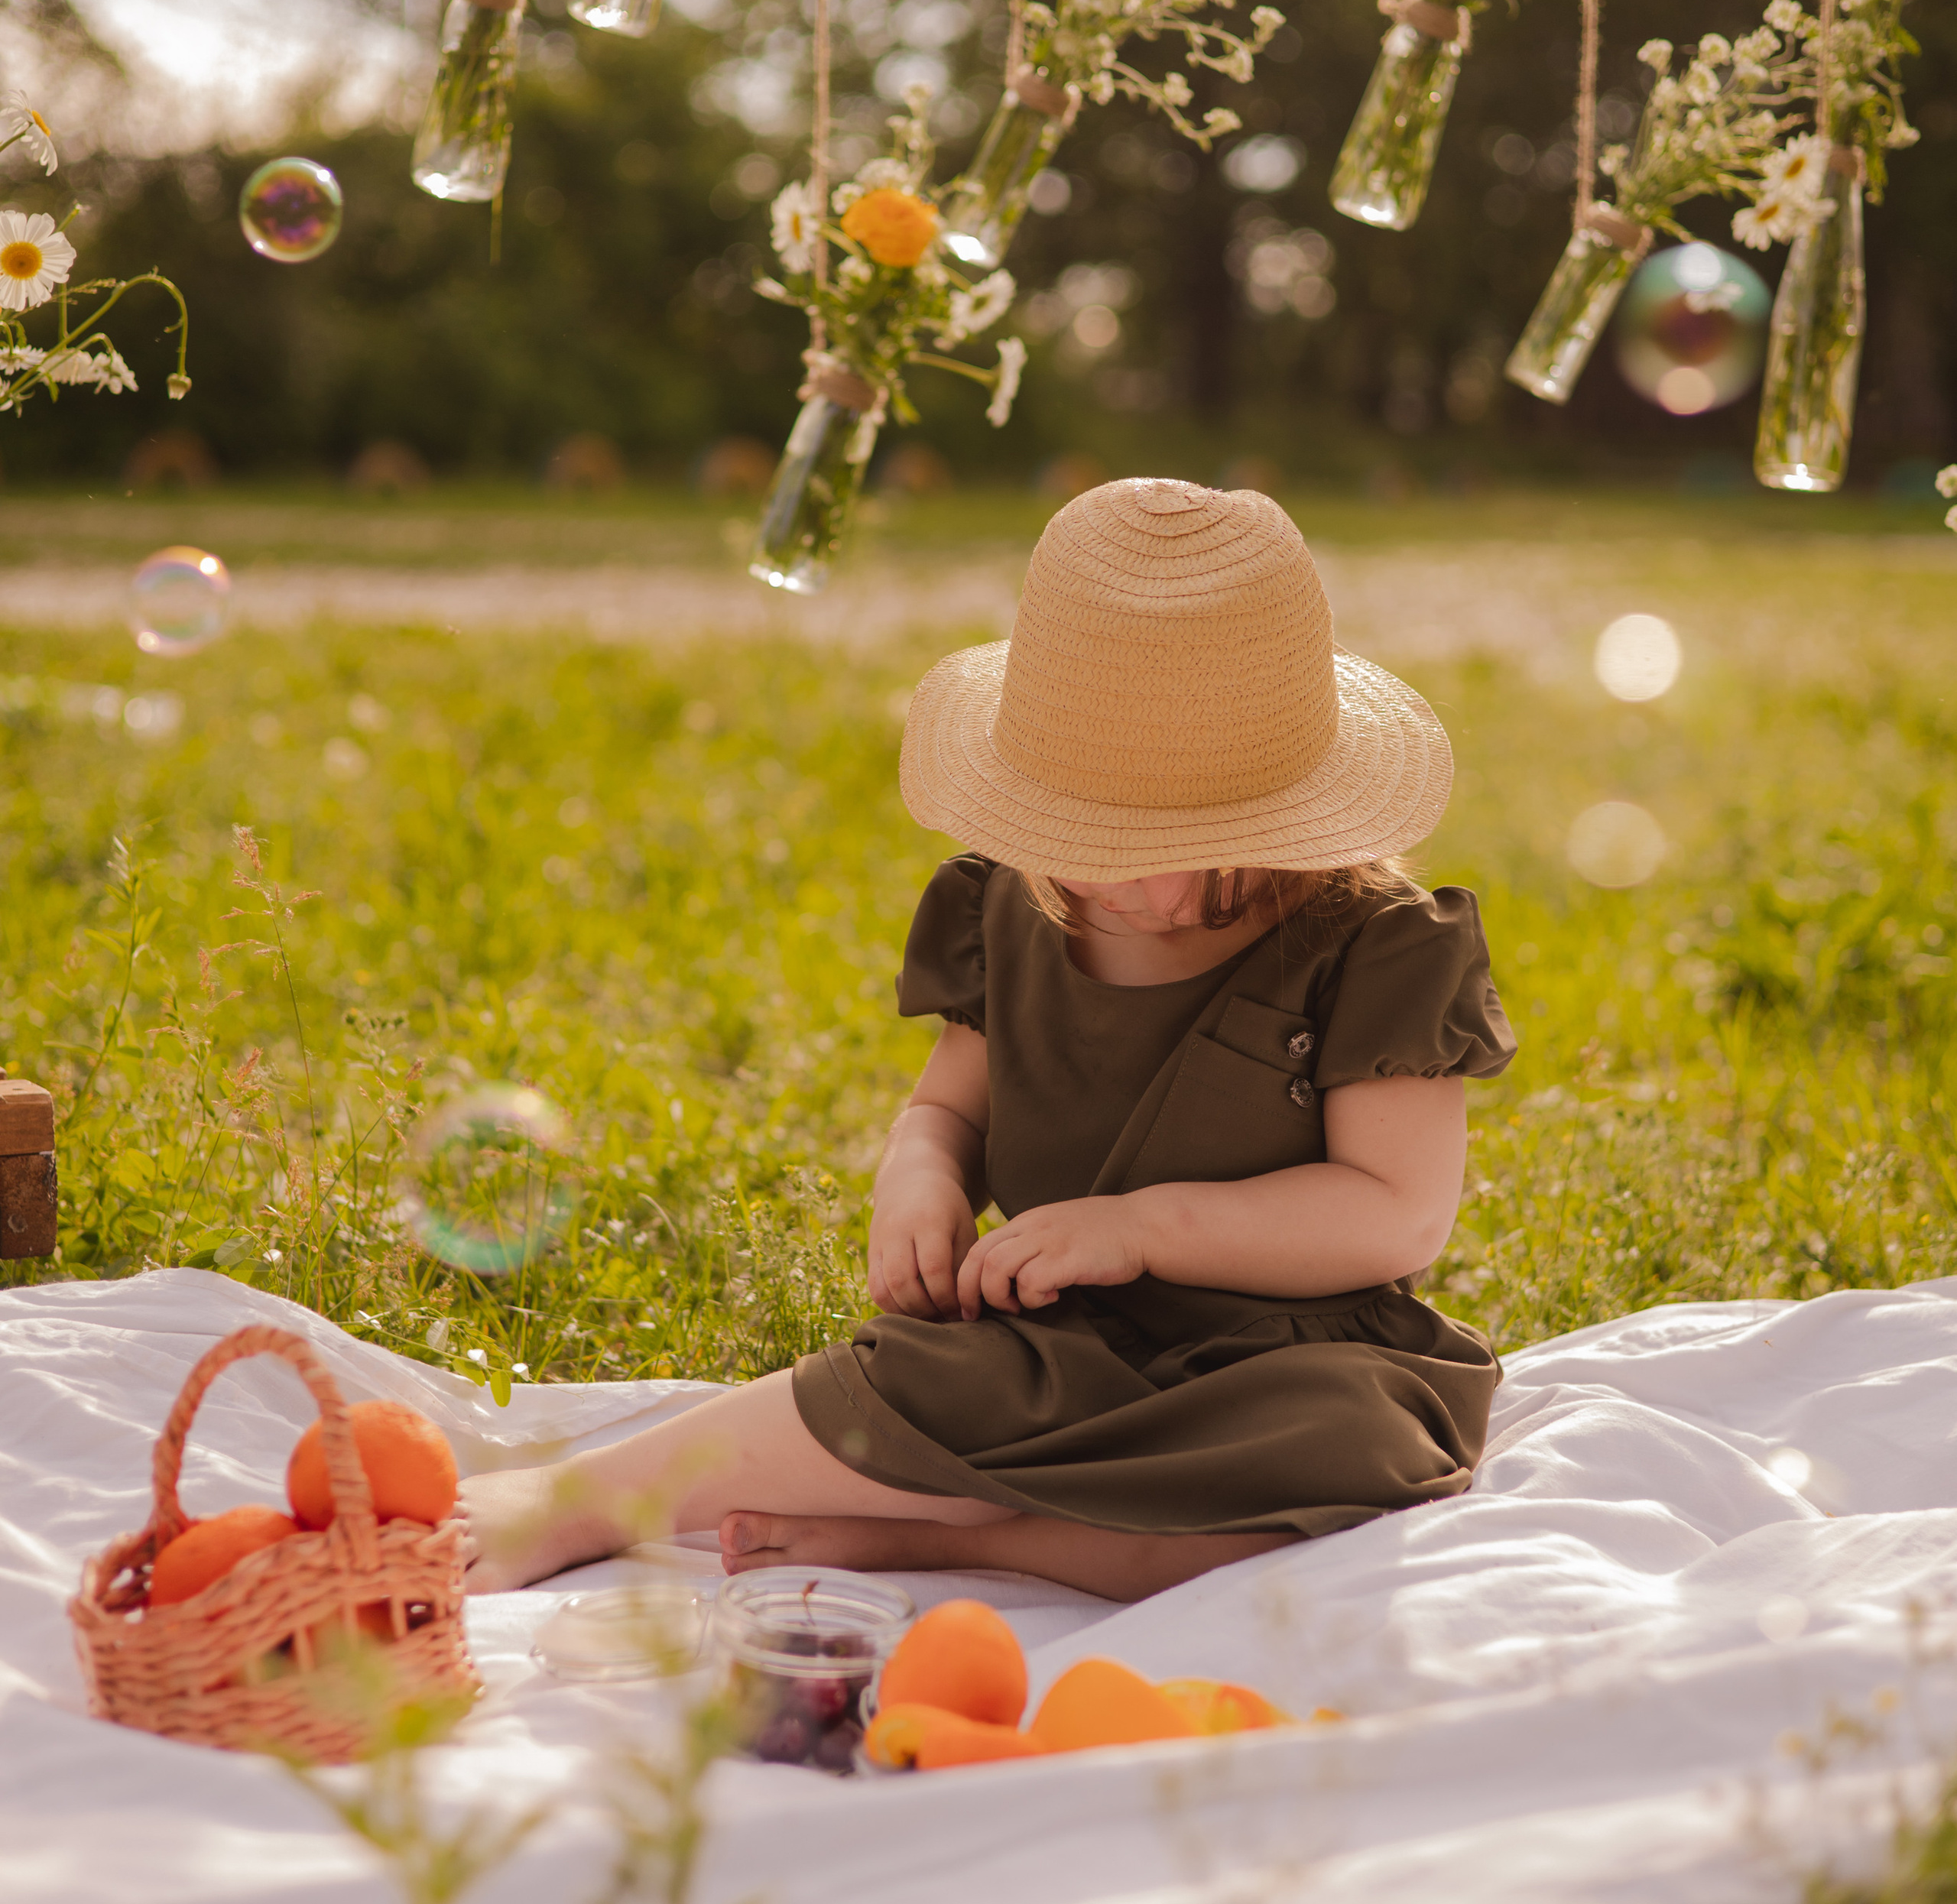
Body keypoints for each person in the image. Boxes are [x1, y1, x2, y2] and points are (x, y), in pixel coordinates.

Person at [462, 477, 1514, 1602]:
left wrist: (1146, 1227)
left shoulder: (1373, 943)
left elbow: (1396, 1211)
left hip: (1289, 1357)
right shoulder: (1007, 911)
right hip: (1060, 1344)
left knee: (1358, 1465)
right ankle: (588, 1498)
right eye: (1085, 834)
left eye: (1192, 842)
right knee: (917, 1383)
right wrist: (918, 1176)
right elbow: (949, 1106)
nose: (1128, 883)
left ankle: (956, 1539)